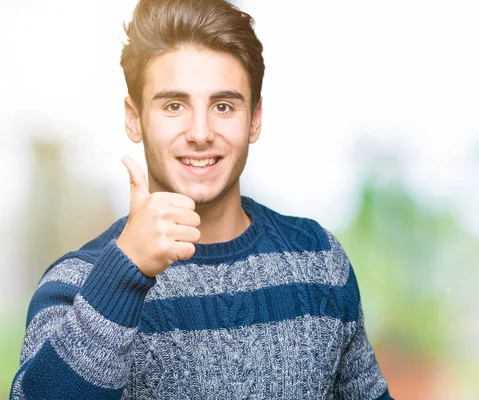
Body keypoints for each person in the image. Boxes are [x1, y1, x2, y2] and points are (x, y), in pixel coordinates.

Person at [11, 0, 393, 398]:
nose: (200, 132)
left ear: (255, 119)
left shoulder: (318, 260)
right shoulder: (76, 283)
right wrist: (124, 273)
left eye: (223, 106)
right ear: (134, 118)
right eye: (174, 105)